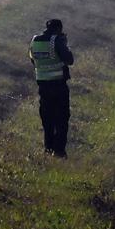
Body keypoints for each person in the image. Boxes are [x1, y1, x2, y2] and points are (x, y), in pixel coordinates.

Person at [29, 18, 75, 157]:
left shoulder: (35, 41)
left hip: (43, 86)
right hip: (58, 86)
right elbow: (69, 60)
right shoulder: (57, 41)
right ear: (59, 29)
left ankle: (48, 149)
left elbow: (33, 60)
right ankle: (59, 151)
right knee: (61, 119)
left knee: (47, 119)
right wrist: (65, 44)